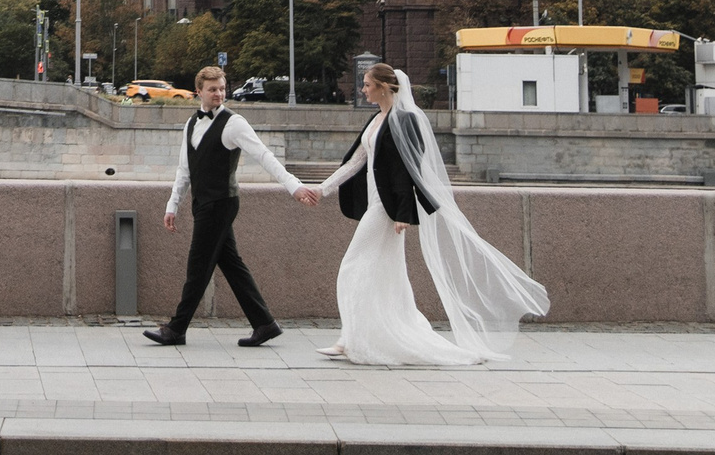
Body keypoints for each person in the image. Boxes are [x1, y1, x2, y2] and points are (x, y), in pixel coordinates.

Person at [314, 61, 546, 365]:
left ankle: (350, 338)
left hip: (386, 208)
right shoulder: (376, 119)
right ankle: (360, 336)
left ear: (383, 88)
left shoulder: (405, 120)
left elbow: (408, 171)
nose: (363, 89)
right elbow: (355, 162)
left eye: (368, 84)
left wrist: (403, 213)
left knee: (352, 267)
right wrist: (321, 190)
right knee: (387, 277)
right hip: (375, 202)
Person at [144, 64, 300, 348]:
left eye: (222, 89)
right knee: (231, 264)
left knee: (198, 264)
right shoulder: (191, 124)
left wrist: (293, 186)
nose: (219, 94)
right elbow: (184, 169)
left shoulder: (234, 123)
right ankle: (264, 323)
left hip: (222, 203)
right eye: (213, 89)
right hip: (203, 203)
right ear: (198, 92)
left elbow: (264, 155)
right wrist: (172, 205)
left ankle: (176, 328)